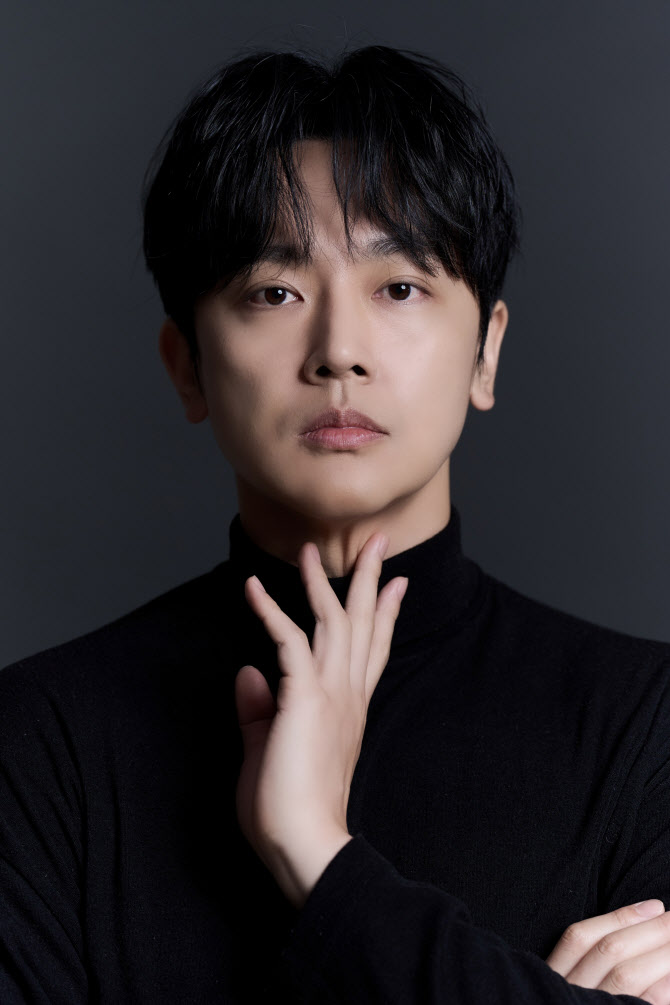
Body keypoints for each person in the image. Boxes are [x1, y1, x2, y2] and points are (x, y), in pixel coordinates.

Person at [2, 43, 670, 1005]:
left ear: (486, 354)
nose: (339, 351)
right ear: (187, 365)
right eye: (274, 292)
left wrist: (319, 856)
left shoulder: (647, 725)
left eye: (399, 286)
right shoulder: (40, 740)